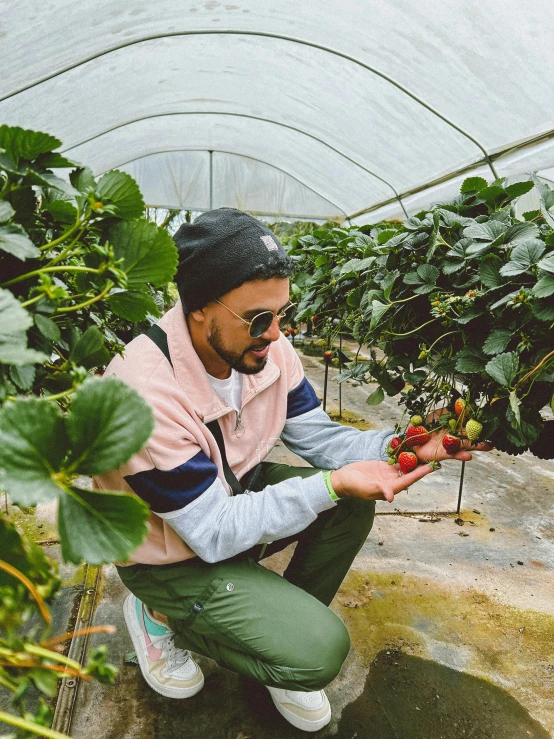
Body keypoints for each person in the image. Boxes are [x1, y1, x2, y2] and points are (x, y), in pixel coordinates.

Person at [93, 208, 488, 732]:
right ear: (197, 309)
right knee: (318, 654)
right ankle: (157, 615)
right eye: (260, 319)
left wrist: (405, 444)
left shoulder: (270, 353)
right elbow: (210, 532)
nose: (277, 334)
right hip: (167, 550)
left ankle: (272, 640)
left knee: (349, 504)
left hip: (229, 496)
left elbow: (322, 439)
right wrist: (329, 484)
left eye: (283, 313)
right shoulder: (140, 394)